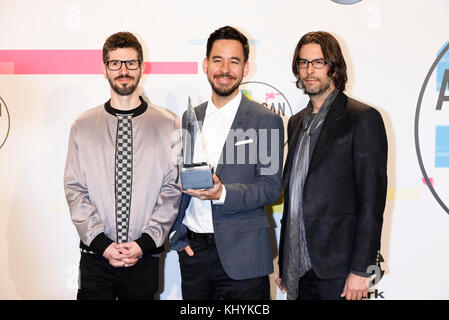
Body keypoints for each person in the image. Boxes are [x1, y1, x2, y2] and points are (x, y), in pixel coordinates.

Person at [64, 32, 182, 300]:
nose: (123, 71)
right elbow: (74, 188)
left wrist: (143, 244)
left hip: (144, 259)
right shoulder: (83, 125)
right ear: (104, 69)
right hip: (95, 258)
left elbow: (172, 190)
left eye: (130, 63)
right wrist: (102, 244)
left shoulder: (167, 124)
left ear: (142, 67)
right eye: (115, 63)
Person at [169, 26, 284, 300]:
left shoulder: (265, 121)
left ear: (246, 68)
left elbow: (270, 188)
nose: (225, 69)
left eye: (234, 61)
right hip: (194, 254)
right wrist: (178, 234)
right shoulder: (189, 117)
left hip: (244, 255)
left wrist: (222, 193)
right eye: (218, 60)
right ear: (205, 65)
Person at [277, 31, 388, 300]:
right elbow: (295, 196)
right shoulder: (296, 122)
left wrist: (362, 270)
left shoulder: (362, 118)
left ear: (334, 67)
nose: (309, 70)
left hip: (338, 269)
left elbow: (371, 202)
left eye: (318, 62)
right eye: (303, 63)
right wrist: (285, 260)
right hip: (298, 269)